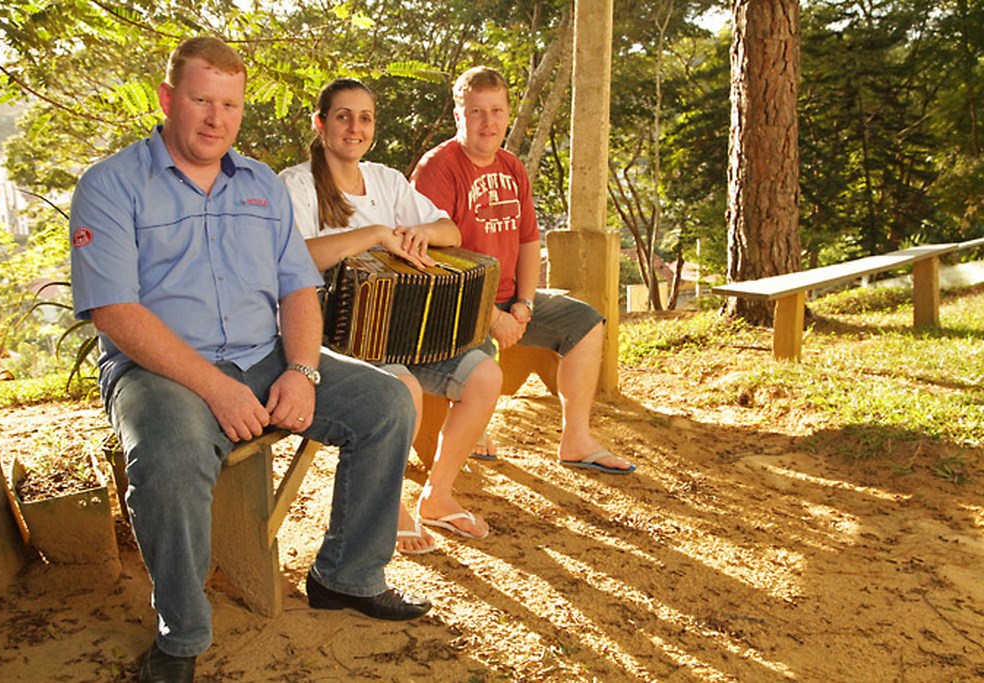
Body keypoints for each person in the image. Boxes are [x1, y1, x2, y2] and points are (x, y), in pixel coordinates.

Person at [69, 38, 430, 683]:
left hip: (265, 354)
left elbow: (297, 289)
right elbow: (115, 311)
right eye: (201, 101)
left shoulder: (260, 182)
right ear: (167, 99)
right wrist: (215, 387)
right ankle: (182, 634)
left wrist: (302, 370)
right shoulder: (111, 184)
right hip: (160, 370)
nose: (217, 119)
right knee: (170, 458)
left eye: (230, 105)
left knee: (388, 402)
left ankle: (346, 575)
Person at [280, 78, 500, 550]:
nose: (354, 128)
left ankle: (438, 496)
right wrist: (376, 234)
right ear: (320, 124)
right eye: (343, 116)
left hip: (406, 328)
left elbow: (450, 230)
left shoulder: (386, 179)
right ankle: (390, 503)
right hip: (337, 336)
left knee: (485, 376)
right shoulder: (296, 184)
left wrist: (423, 233)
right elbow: (294, 257)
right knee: (404, 389)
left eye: (365, 118)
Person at [411, 66, 635, 475]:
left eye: (497, 111)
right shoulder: (437, 169)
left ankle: (576, 440)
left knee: (585, 323)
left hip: (508, 300)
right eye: (477, 112)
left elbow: (528, 241)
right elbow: (432, 264)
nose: (488, 122)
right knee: (477, 360)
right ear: (459, 116)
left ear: (508, 114)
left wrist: (525, 303)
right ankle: (457, 445)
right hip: (454, 308)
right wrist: (490, 316)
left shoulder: (511, 167)